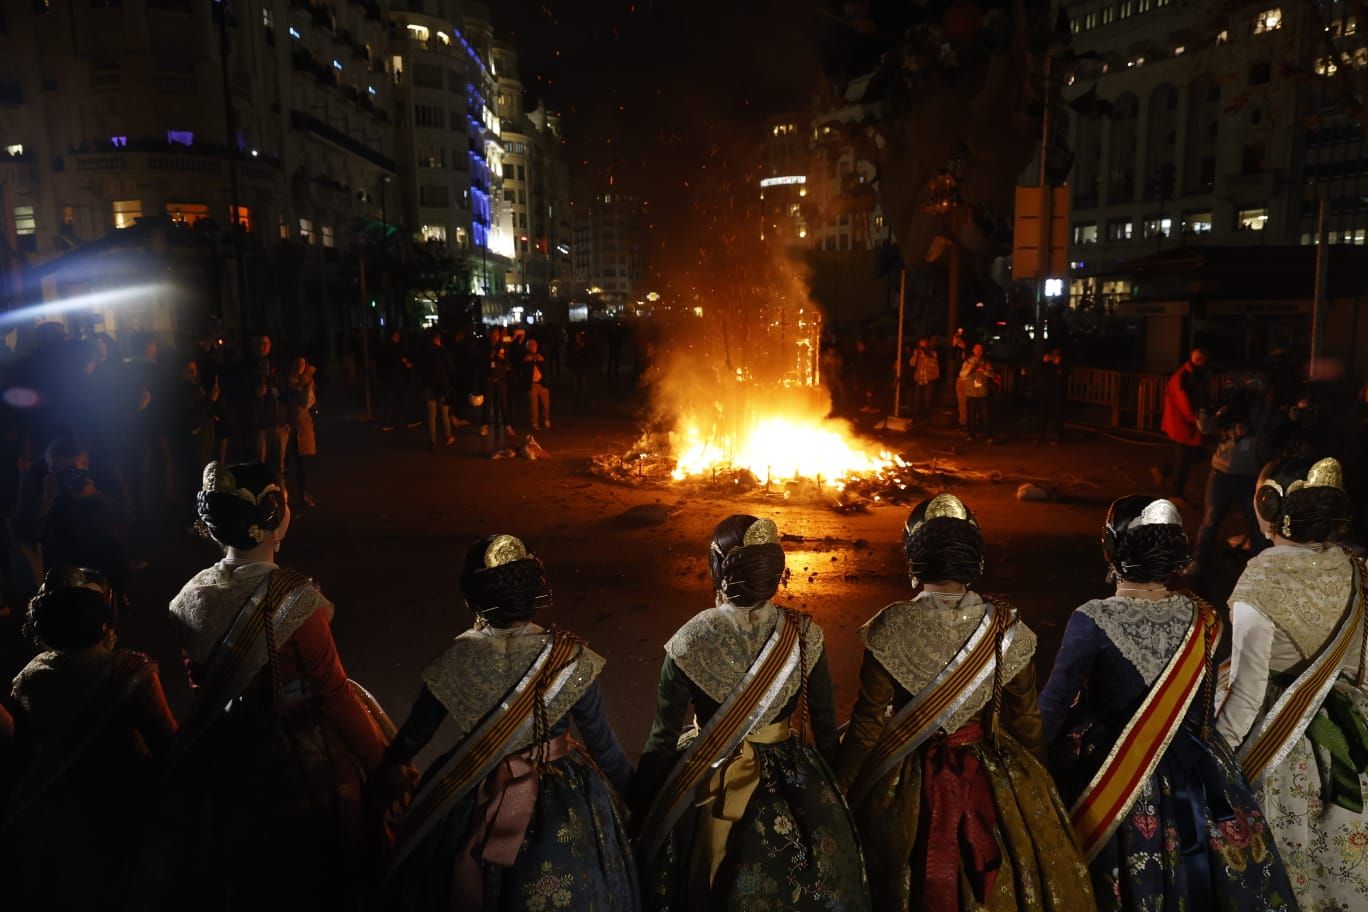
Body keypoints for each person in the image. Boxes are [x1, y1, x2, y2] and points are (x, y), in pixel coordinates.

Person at [835, 494, 1095, 912]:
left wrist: (841, 790)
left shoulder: (890, 626)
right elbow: (1025, 719)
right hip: (988, 770)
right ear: (975, 561)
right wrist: (1040, 788)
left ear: (913, 560)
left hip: (902, 773)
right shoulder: (1007, 628)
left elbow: (866, 725)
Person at [1039, 495, 1296, 909]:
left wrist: (1030, 764)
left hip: (1113, 773)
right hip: (1198, 769)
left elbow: (1053, 705)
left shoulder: (1091, 619)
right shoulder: (1204, 617)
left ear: (1111, 548)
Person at [162, 462, 389, 908]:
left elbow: (200, 685)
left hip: (224, 747)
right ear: (276, 519)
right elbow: (333, 693)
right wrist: (383, 763)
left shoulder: (189, 596)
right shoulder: (297, 599)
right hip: (295, 753)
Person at [380, 534, 637, 910]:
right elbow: (604, 747)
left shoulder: (457, 659)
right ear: (536, 592)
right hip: (566, 796)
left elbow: (416, 735)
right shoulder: (571, 658)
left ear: (472, 596)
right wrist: (640, 799)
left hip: (472, 787)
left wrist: (387, 768)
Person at [634, 515, 869, 912]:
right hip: (791, 773)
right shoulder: (804, 633)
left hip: (705, 772)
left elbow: (661, 737)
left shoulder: (689, 639)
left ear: (717, 567)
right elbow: (825, 728)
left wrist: (641, 804)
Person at [1216, 456, 1368, 910]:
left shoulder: (1262, 577)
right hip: (1352, 738)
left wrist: (1213, 763)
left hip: (1280, 744)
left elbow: (1245, 696)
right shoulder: (1358, 568)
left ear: (1268, 505)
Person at [3, 566, 178, 908]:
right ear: (104, 618)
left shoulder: (29, 679)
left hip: (63, 819)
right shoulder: (132, 674)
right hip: (124, 809)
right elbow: (168, 745)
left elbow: (23, 757)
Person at [1187, 389, 1271, 579]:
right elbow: (1206, 427)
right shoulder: (1228, 409)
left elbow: (1269, 439)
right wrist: (1205, 408)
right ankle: (1199, 562)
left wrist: (1253, 430)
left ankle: (1263, 569)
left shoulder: (1262, 410)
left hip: (1250, 475)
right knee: (1210, 521)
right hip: (1221, 473)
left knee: (1257, 524)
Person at [1154, 349, 1211, 506]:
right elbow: (1183, 401)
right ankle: (1176, 493)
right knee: (1186, 457)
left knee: (1191, 456)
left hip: (1186, 423)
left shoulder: (1191, 374)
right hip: (1183, 424)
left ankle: (1164, 471)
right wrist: (1196, 418)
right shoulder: (1184, 377)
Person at [283, 356, 318, 507]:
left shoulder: (307, 382)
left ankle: (302, 493)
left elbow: (306, 402)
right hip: (286, 425)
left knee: (300, 462)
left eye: (303, 363)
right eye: (297, 363)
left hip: (301, 427)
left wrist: (305, 385)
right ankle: (283, 494)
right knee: (284, 463)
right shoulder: (286, 380)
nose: (300, 366)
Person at [416, 331, 454, 449]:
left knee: (431, 415)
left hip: (429, 386)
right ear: (438, 340)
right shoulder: (443, 353)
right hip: (442, 387)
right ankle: (448, 436)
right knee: (444, 413)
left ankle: (432, 440)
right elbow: (451, 369)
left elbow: (420, 370)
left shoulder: (424, 354)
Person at [961, 343, 995, 443]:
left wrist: (984, 370)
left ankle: (989, 436)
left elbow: (992, 374)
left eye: (980, 349)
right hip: (971, 392)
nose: (978, 351)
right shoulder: (967, 362)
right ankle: (971, 435)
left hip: (982, 393)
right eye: (977, 349)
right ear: (973, 350)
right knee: (971, 416)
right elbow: (961, 374)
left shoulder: (986, 362)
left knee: (985, 415)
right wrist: (969, 368)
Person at [1037, 347, 1067, 444]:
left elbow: (1065, 373)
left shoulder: (1063, 363)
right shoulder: (1048, 364)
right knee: (1043, 414)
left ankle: (1059, 437)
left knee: (1058, 415)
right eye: (1053, 354)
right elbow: (1040, 371)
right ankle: (1041, 435)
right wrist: (1043, 361)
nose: (1054, 356)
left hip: (1058, 393)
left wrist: (1059, 364)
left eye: (1056, 354)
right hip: (1047, 392)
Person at [910, 337, 940, 426]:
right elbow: (912, 364)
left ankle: (926, 420)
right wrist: (915, 355)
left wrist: (926, 356)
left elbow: (934, 364)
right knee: (917, 401)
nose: (922, 345)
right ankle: (917, 419)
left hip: (929, 380)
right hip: (919, 381)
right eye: (921, 343)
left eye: (924, 343)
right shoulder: (918, 353)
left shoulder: (932, 353)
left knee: (927, 401)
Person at [523, 338, 551, 431]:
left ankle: (546, 419)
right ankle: (534, 422)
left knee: (545, 403)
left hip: (542, 383)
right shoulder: (526, 357)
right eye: (530, 345)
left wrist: (539, 359)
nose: (532, 346)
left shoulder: (541, 355)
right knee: (533, 405)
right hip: (532, 384)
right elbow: (524, 367)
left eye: (534, 344)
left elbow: (545, 366)